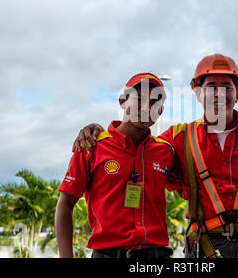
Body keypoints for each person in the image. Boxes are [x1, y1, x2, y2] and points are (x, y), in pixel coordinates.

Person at [73, 54, 238, 258]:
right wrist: (94, 130)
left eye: (227, 87)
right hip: (205, 246)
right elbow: (134, 142)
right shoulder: (177, 138)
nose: (219, 93)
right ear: (198, 93)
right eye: (211, 86)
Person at [55, 73, 180, 258]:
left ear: (160, 111)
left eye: (154, 102)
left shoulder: (166, 152)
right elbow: (65, 205)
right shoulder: (91, 145)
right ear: (123, 101)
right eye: (139, 99)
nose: (146, 107)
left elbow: (188, 190)